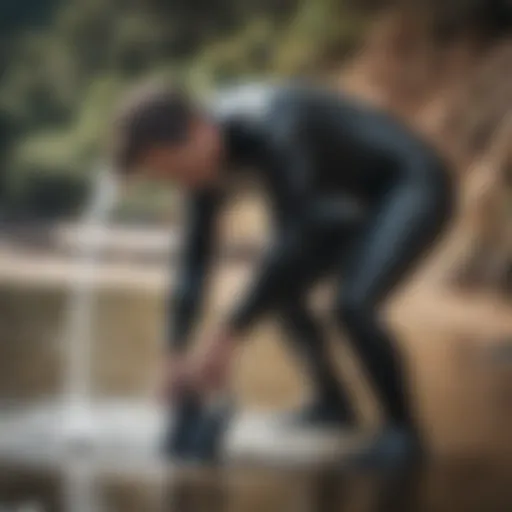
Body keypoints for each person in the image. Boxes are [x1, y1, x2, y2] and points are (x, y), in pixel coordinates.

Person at [109, 79, 454, 465]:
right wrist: (174, 352)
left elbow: (298, 238)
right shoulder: (200, 161)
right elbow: (194, 259)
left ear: (197, 130)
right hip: (342, 207)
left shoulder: (274, 126)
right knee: (283, 295)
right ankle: (332, 405)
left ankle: (402, 433)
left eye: (179, 170)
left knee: (353, 304)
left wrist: (227, 334)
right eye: (169, 178)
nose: (182, 184)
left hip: (411, 183)